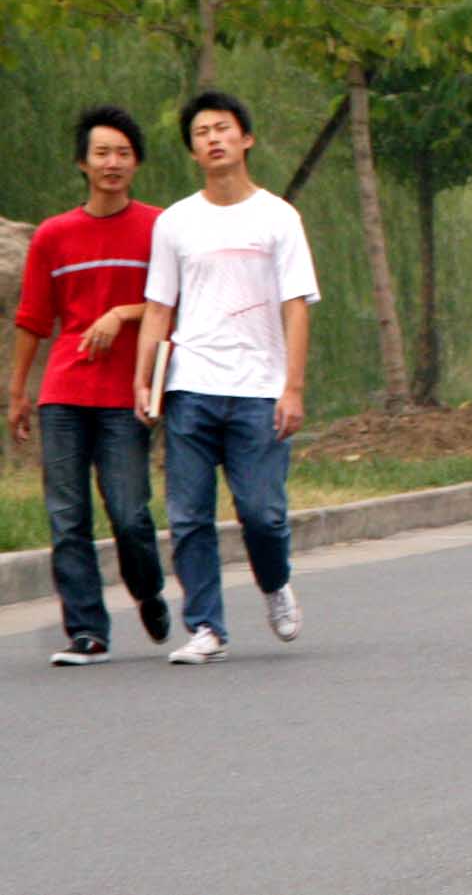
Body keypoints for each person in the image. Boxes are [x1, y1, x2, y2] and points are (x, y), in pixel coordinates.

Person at [133, 91, 320, 665]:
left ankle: (275, 582)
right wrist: (144, 381)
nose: (213, 139)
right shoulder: (175, 222)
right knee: (189, 517)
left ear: (246, 139)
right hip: (191, 386)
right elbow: (159, 307)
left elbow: (296, 305)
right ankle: (206, 627)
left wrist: (292, 387)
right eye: (201, 133)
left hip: (259, 389)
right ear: (193, 151)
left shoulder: (278, 217)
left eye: (223, 128)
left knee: (263, 514)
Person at [9, 106, 170, 665]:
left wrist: (123, 313)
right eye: (102, 153)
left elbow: (174, 302)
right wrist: (18, 393)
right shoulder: (54, 235)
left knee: (129, 513)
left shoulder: (159, 228)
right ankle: (86, 631)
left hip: (127, 393)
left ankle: (147, 590)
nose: (112, 163)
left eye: (123, 153)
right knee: (67, 517)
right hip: (64, 394)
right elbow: (33, 320)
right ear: (83, 162)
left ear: (137, 162)